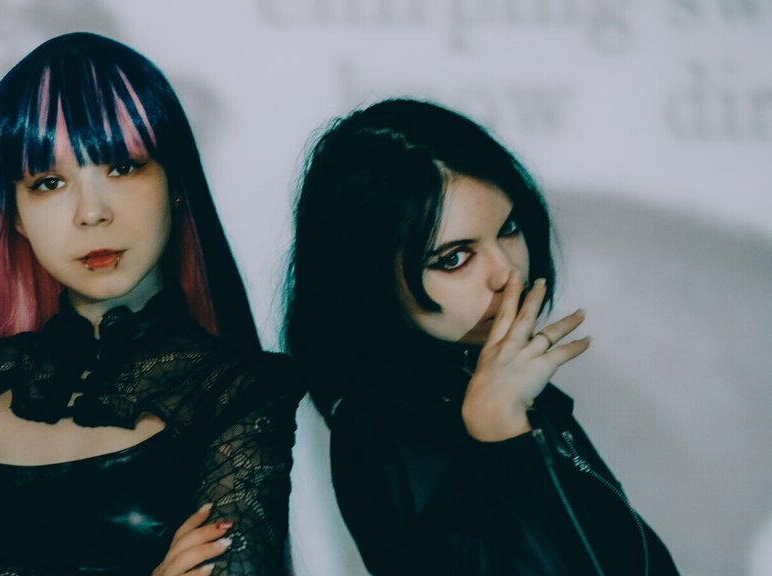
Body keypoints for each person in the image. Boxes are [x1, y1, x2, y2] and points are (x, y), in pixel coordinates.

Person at [0, 32, 301, 576]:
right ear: (15, 214)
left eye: (123, 167)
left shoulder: (241, 393)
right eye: (49, 182)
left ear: (175, 181)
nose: (91, 213)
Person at [285, 98, 679, 575]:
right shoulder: (380, 430)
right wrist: (500, 435)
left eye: (508, 229)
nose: (507, 271)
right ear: (368, 279)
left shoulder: (489, 377)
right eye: (453, 258)